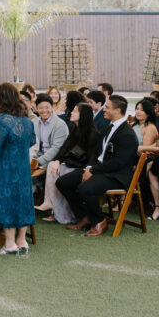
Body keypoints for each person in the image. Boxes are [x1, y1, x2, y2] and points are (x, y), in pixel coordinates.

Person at [56, 94, 138, 236]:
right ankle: (85, 216)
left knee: (85, 189)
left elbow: (118, 163)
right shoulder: (108, 128)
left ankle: (100, 221)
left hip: (116, 176)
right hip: (100, 170)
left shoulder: (127, 134)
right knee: (63, 182)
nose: (103, 109)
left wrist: (93, 170)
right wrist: (89, 168)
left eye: (107, 107)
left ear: (117, 110)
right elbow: (96, 153)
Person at [0, 83, 36, 255]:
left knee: (7, 203)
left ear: (2, 99)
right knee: (22, 201)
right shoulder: (27, 121)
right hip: (23, 167)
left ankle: (10, 244)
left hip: (5, 168)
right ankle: (22, 240)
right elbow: (32, 141)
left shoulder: (1, 121)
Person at [38, 104, 99, 224]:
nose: (71, 112)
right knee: (52, 166)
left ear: (83, 115)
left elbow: (91, 158)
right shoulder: (75, 129)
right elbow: (65, 147)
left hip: (82, 168)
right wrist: (57, 161)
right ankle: (51, 205)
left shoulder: (93, 134)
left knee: (60, 175)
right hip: (72, 163)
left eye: (75, 111)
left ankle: (61, 213)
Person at [32, 93, 69, 169]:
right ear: (36, 108)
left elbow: (56, 148)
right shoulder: (34, 122)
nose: (44, 111)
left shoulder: (60, 124)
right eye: (40, 108)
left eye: (47, 107)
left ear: (52, 107)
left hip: (54, 160)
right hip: (36, 157)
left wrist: (38, 162)